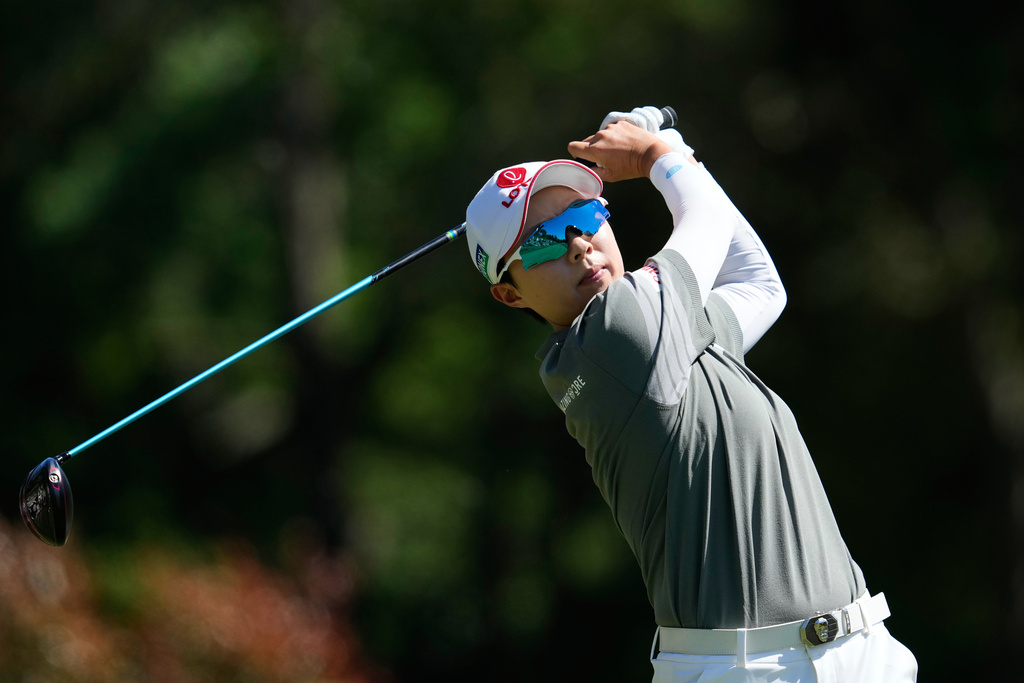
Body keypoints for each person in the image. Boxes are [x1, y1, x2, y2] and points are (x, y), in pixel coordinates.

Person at [463, 107, 918, 682]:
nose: (578, 245)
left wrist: (674, 150)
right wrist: (655, 155)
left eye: (583, 215)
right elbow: (704, 218)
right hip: (750, 669)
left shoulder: (662, 337)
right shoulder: (618, 333)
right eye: (542, 241)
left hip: (857, 651)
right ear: (510, 294)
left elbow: (758, 283)